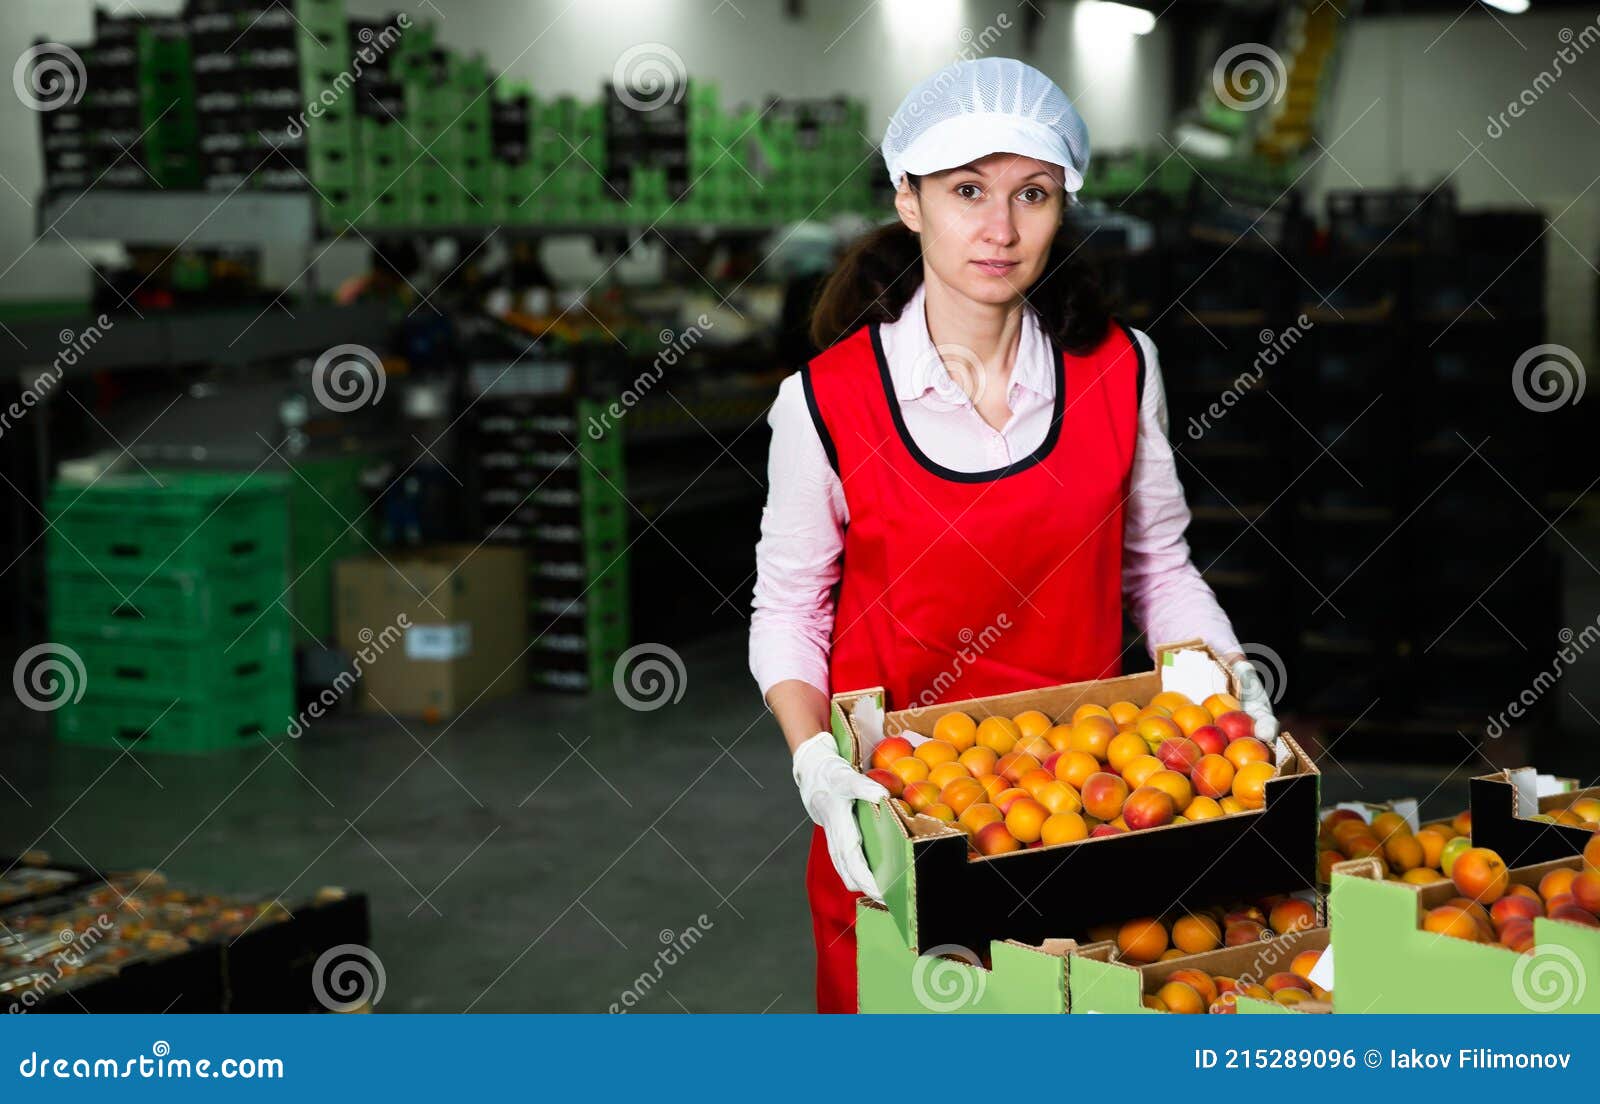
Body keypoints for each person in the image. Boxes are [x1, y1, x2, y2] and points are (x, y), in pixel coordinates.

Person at [748, 58, 1280, 1014]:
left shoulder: (1121, 367)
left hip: (1094, 814)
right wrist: (816, 764)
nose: (999, 229)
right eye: (966, 191)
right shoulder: (824, 400)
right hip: (903, 827)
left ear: (1062, 206)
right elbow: (790, 606)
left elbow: (1158, 568)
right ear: (909, 201)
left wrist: (1227, 682)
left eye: (1031, 193)